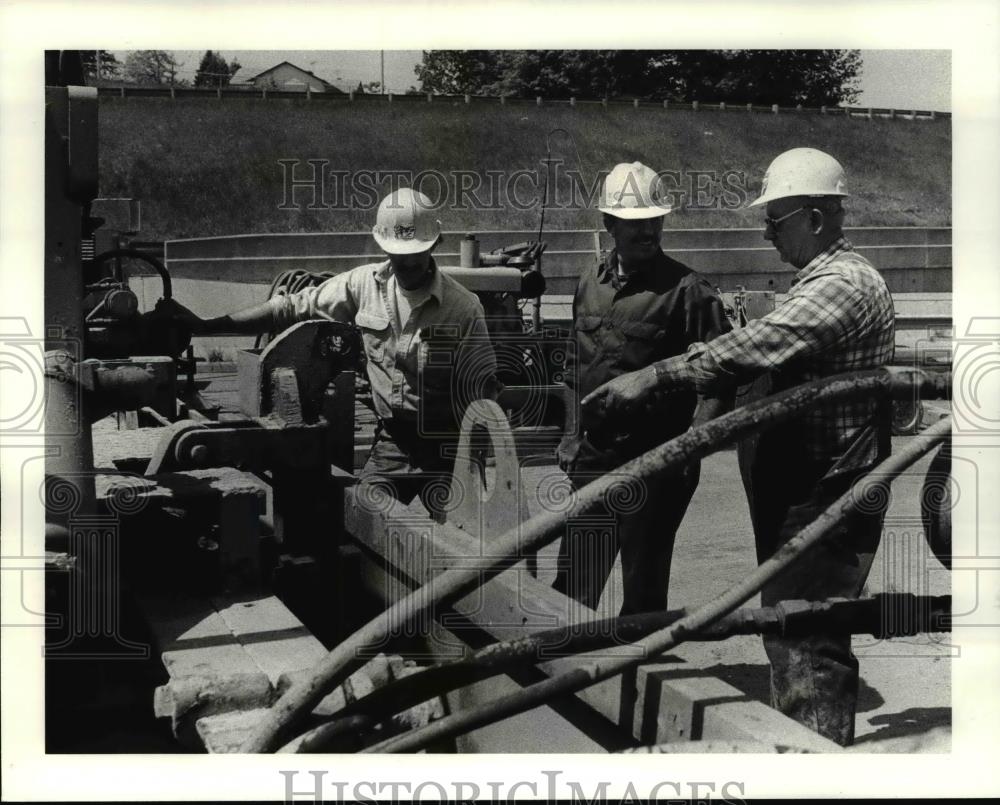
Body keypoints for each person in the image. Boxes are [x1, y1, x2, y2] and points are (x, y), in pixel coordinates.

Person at [580, 148, 895, 746]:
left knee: (807, 627)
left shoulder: (843, 285)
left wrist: (657, 377)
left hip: (825, 486)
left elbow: (757, 344)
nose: (765, 232)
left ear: (816, 219)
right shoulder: (824, 281)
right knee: (791, 623)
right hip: (808, 481)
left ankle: (814, 758)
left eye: (775, 221)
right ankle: (804, 741)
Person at [167, 187, 498, 512]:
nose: (406, 261)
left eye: (416, 252)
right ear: (383, 245)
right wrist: (206, 325)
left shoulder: (464, 309)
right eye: (397, 252)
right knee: (364, 522)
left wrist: (475, 463)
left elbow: (481, 390)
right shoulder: (364, 286)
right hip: (392, 443)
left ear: (436, 243)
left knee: (458, 548)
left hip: (448, 448)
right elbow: (292, 308)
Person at [553, 161, 733, 617]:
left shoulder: (689, 292)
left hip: (657, 460)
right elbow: (576, 369)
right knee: (575, 580)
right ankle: (564, 681)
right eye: (635, 222)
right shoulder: (587, 284)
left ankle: (636, 684)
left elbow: (722, 377)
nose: (648, 231)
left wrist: (689, 452)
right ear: (609, 224)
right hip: (594, 456)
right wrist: (572, 434)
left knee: (643, 593)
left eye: (655, 220)